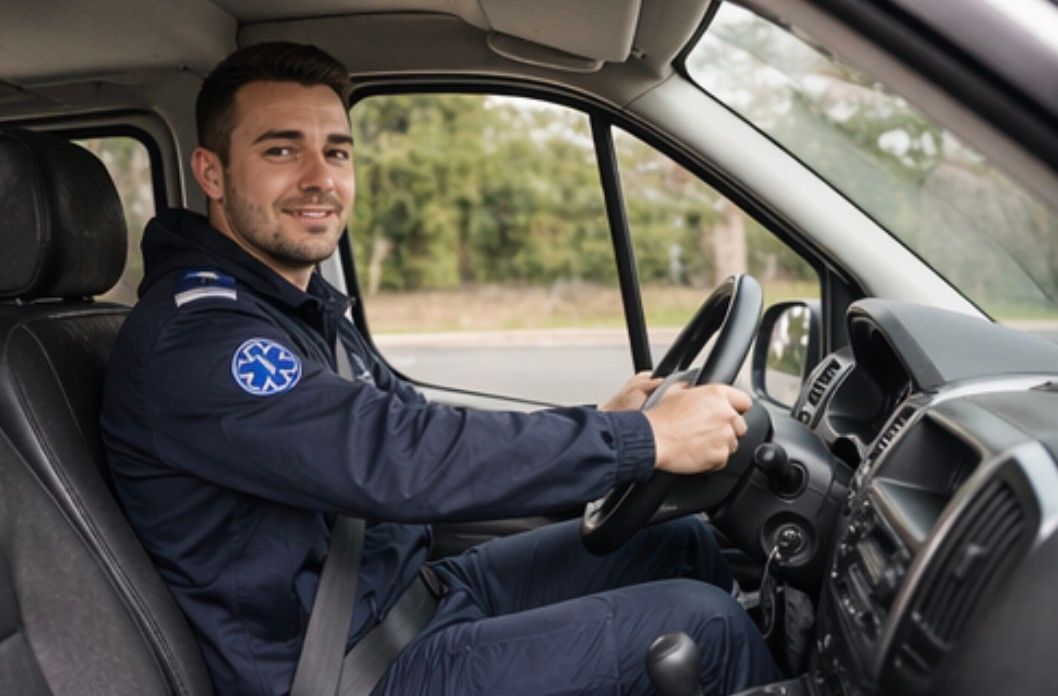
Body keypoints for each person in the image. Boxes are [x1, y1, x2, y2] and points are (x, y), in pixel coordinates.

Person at [101, 42, 779, 696]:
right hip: (352, 670)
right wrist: (645, 439)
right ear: (211, 173)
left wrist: (602, 423)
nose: (320, 179)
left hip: (416, 599)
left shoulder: (293, 309)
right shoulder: (197, 341)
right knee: (705, 627)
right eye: (281, 150)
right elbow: (395, 456)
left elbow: (419, 423)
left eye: (336, 151)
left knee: (676, 542)